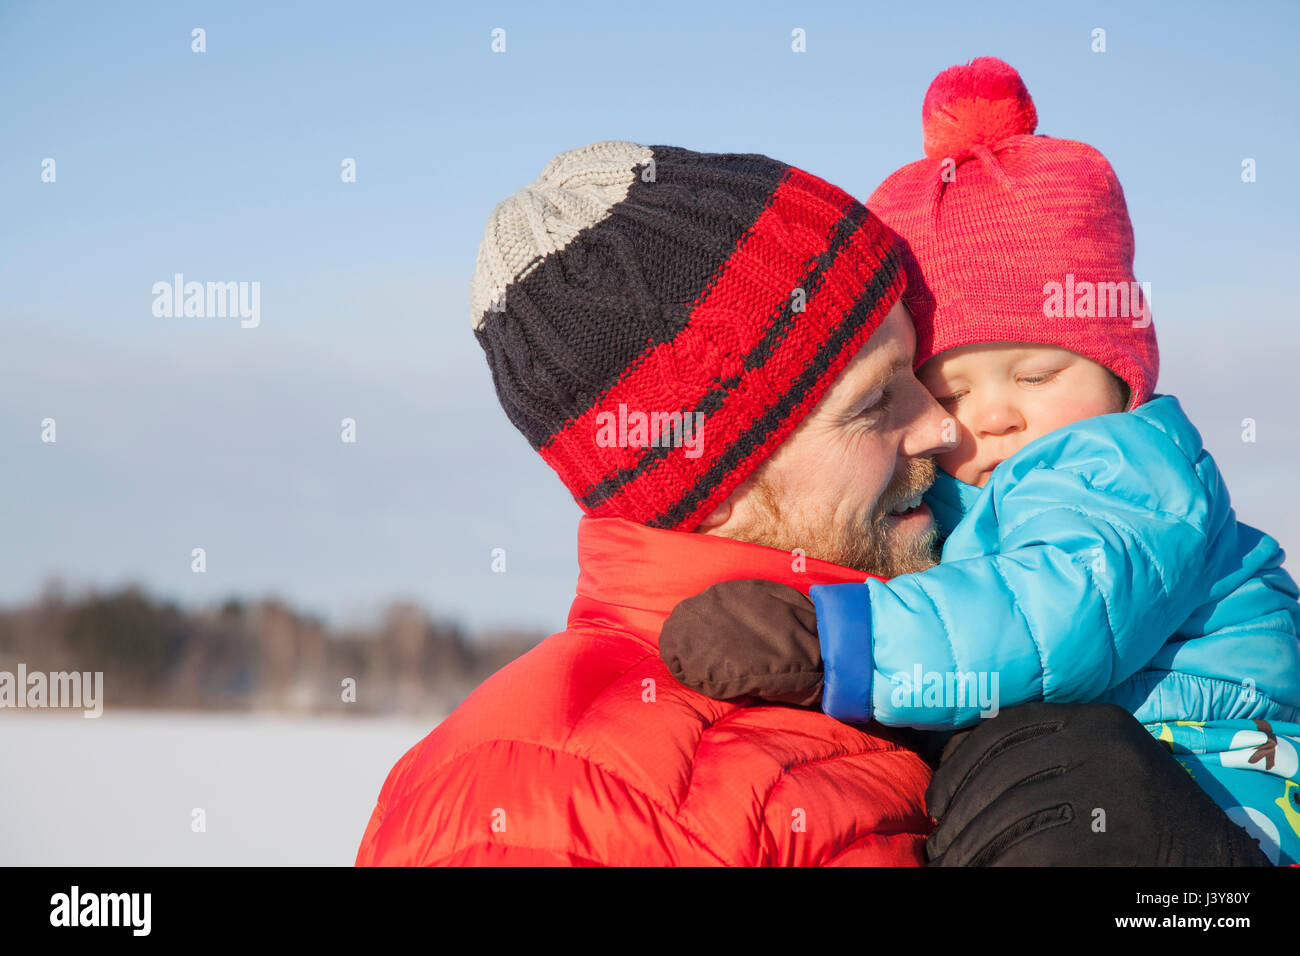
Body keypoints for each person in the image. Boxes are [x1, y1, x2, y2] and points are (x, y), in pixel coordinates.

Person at [356, 140, 1266, 866]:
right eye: (877, 400)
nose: (946, 431)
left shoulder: (895, 693)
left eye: (921, 375)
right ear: (716, 479)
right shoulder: (552, 801)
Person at [658, 59, 1299, 864]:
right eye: (951, 391)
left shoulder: (1128, 470)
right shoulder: (953, 497)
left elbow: (1053, 616)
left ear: (1121, 370)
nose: (993, 415)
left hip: (1221, 778)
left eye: (1036, 375)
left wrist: (842, 644)